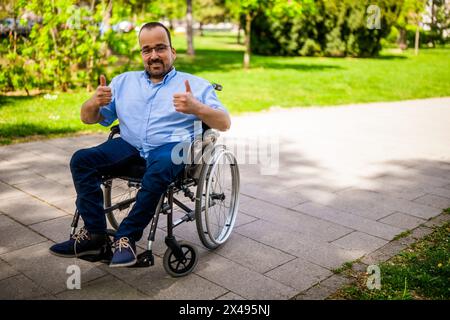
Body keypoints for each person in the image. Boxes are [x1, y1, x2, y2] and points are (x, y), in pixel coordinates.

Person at [49, 22, 230, 267]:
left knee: (160, 167)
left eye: (160, 48)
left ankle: (126, 237)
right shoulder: (123, 82)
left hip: (169, 148)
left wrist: (196, 108)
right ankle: (95, 236)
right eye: (147, 50)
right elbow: (89, 118)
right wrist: (93, 101)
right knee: (81, 160)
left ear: (172, 52)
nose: (154, 55)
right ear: (141, 54)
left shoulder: (196, 85)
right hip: (130, 146)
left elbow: (224, 123)